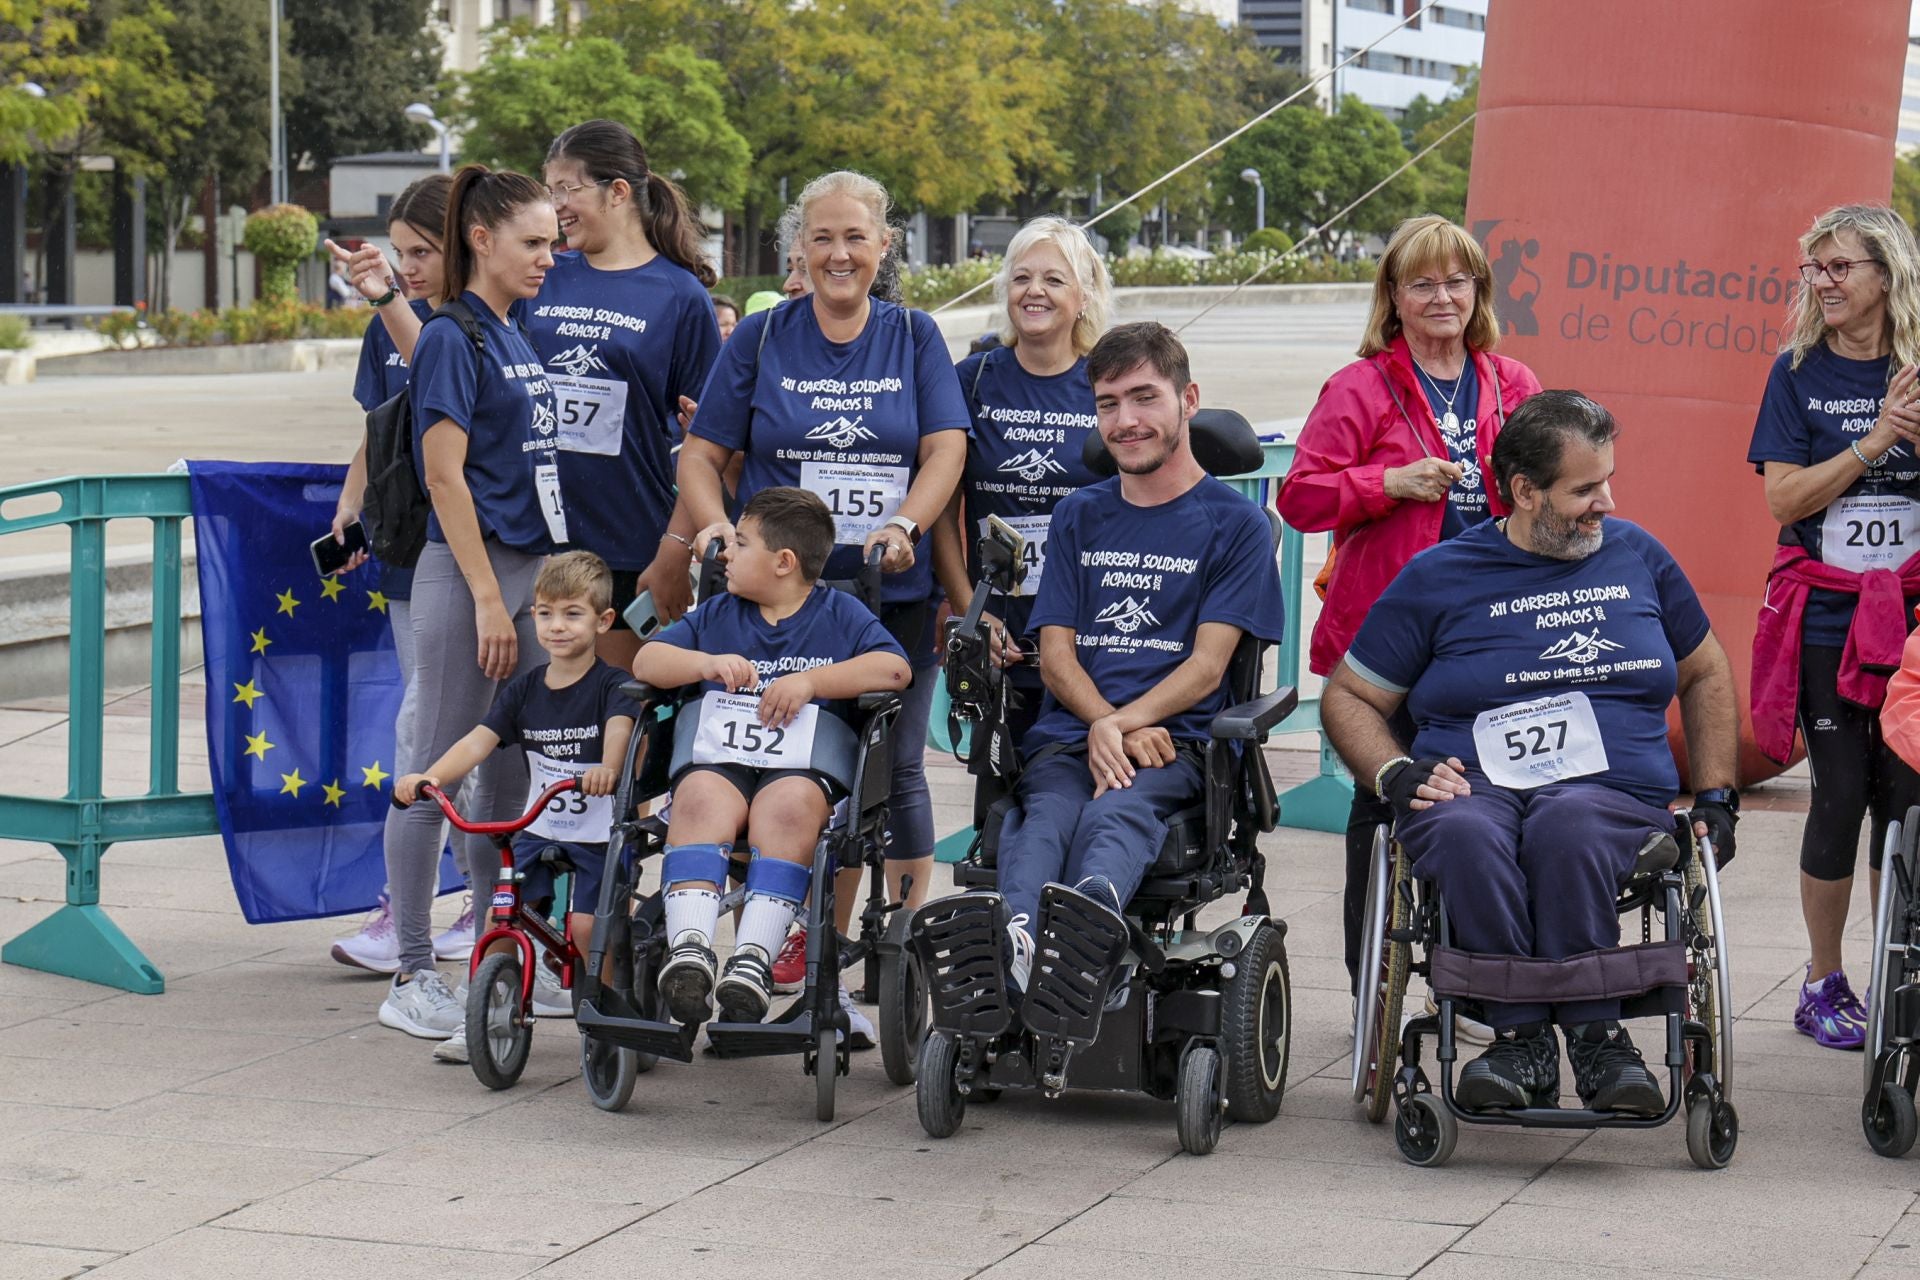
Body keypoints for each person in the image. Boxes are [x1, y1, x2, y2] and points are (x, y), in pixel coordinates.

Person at [1321, 390, 1740, 1115]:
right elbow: (1348, 696)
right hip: (1473, 786)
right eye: (1583, 489)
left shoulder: (1638, 556)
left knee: (1566, 826)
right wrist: (1394, 772)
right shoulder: (1440, 576)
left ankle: (1596, 1033)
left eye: (1608, 480)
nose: (1605, 502)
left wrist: (1716, 796)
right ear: (1523, 491)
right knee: (1459, 833)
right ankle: (1522, 1040)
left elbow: (1705, 671)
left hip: (1609, 793)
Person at [678, 169, 968, 1039]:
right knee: (762, 763)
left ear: (885, 247)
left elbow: (946, 446)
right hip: (774, 594)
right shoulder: (763, 338)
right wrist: (717, 531)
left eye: (856, 238)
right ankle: (780, 943)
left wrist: (909, 523)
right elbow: (701, 455)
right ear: (798, 251)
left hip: (884, 591)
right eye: (822, 238)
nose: (839, 254)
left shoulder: (915, 337)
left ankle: (901, 951)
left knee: (895, 771)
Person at [1276, 213, 1543, 1006]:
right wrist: (1383, 484)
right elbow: (1297, 497)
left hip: (1495, 635)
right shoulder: (1360, 385)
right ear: (1393, 296)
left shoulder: (1512, 382)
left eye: (1456, 281)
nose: (1441, 296)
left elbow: (1548, 486)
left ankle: (1480, 976)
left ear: (1478, 292)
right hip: (1387, 641)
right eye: (1422, 282)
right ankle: (1375, 990)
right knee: (1383, 797)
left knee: (1494, 805)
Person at [992, 322, 1286, 978]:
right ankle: (1014, 941)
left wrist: (1122, 726)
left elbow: (1209, 666)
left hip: (1174, 744)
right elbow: (1057, 654)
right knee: (1045, 816)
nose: (1125, 420)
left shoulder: (1235, 525)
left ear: (1188, 400)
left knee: (1117, 814)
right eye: (1107, 404)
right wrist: (1104, 723)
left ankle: (1085, 929)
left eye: (1144, 397)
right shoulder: (1078, 515)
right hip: (1073, 735)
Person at [375, 163, 565, 1041]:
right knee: (432, 770)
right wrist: (490, 599)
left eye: (553, 242)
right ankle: (412, 967)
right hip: (470, 575)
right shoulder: (454, 336)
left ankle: (500, 950)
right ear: (482, 241)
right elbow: (442, 477)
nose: (547, 258)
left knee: (509, 769)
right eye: (532, 243)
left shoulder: (511, 330)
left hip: (524, 571)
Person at [634, 488, 910, 1024]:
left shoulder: (840, 614)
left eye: (740, 543)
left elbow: (895, 670)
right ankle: (690, 948)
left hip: (801, 767)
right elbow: (647, 659)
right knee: (693, 800)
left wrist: (811, 682)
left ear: (784, 562)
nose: (726, 554)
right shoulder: (716, 614)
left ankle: (754, 958)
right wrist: (703, 664)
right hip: (720, 763)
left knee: (788, 809)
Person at [1748, 204, 1920, 1051]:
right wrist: (1877, 440)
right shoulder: (1797, 373)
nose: (1822, 282)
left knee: (1910, 799)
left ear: (1886, 274)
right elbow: (1783, 499)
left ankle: (1904, 965)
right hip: (1827, 615)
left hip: (1916, 618)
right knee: (1841, 796)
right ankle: (1823, 979)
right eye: (1814, 267)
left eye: (1840, 266)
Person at [324, 175, 483, 974]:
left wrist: (390, 298)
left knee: (447, 732)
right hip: (406, 549)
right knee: (423, 724)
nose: (411, 265)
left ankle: (453, 913)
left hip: (466, 554)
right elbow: (379, 424)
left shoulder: (475, 325)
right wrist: (352, 504)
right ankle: (424, 908)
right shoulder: (389, 326)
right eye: (402, 252)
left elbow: (441, 370)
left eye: (424, 250)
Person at [394, 551, 639, 1063]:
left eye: (573, 613)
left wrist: (607, 769)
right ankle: (485, 1012)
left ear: (603, 620)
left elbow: (619, 730)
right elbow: (479, 740)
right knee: (504, 919)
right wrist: (433, 776)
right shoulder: (526, 690)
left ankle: (607, 1013)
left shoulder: (612, 685)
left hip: (597, 831)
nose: (556, 626)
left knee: (586, 928)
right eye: (545, 613)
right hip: (541, 826)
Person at [524, 121, 721, 668]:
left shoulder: (679, 295)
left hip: (628, 546)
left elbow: (712, 446)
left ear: (618, 191)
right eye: (550, 189)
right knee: (542, 720)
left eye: (569, 188)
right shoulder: (543, 274)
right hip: (531, 540)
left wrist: (674, 553)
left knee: (616, 721)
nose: (555, 205)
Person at [933, 216, 1112, 747]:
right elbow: (944, 514)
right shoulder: (972, 379)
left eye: (1054, 280)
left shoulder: (1108, 381)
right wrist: (972, 614)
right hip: (1000, 632)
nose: (1035, 291)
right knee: (1001, 796)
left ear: (1084, 295)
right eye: (1021, 278)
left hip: (1091, 629)